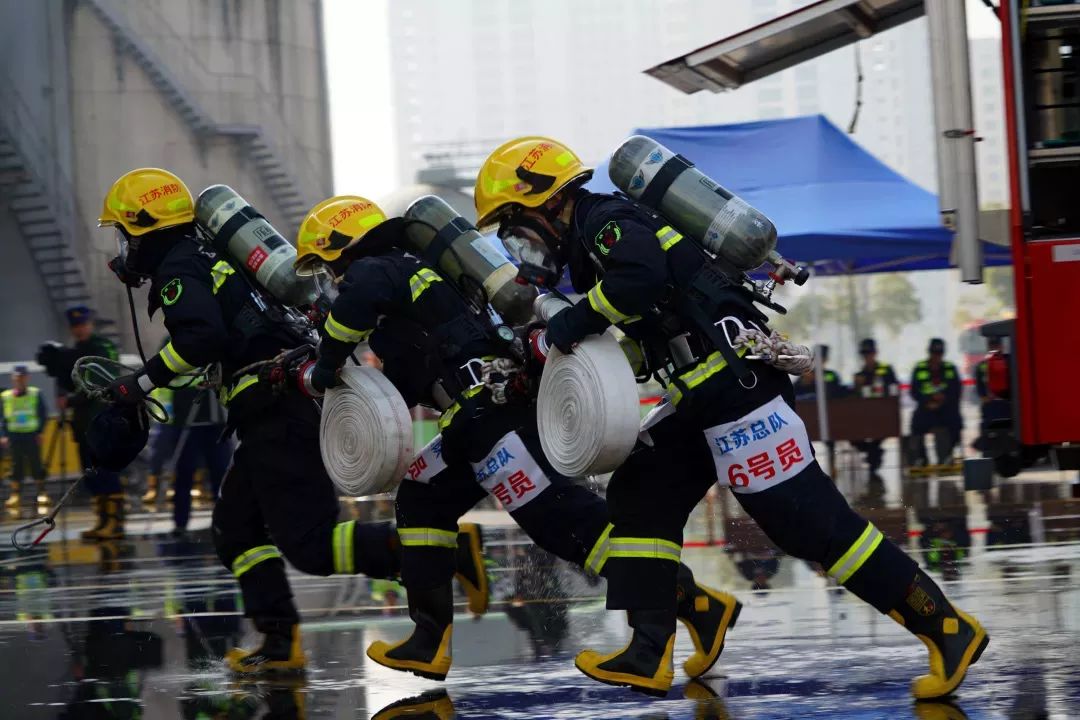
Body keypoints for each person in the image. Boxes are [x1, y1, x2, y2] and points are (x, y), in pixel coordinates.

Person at [473, 136, 988, 699]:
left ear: (545, 200)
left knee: (808, 524)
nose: (512, 241)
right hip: (701, 393)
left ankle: (944, 626)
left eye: (511, 222)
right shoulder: (595, 241)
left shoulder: (606, 220)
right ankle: (649, 651)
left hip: (736, 386)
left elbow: (640, 279)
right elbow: (661, 318)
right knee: (640, 493)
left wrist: (570, 327)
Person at [296, 195, 738, 684]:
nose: (328, 281)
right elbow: (410, 372)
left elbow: (354, 306)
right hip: (470, 420)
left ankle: (693, 604)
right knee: (422, 496)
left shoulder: (379, 269)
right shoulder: (409, 276)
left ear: (342, 249)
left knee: (566, 523)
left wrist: (327, 361)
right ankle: (427, 640)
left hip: (493, 415)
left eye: (325, 267)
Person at [95, 168, 485, 674]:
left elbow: (199, 339)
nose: (125, 248)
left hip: (277, 411)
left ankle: (445, 557)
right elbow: (230, 340)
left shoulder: (178, 269)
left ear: (144, 228)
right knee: (235, 531)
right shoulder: (213, 257)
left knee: (312, 546)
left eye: (126, 234)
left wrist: (138, 384)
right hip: (272, 406)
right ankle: (278, 640)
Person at [37, 306, 125, 539]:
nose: (80, 329)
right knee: (92, 475)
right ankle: (102, 521)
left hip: (104, 420)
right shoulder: (78, 350)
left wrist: (72, 399)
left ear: (91, 324)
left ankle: (115, 524)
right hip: (84, 425)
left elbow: (98, 383)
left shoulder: (101, 347)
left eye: (83, 325)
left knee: (106, 472)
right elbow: (72, 381)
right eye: (75, 326)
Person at [169, 382, 231, 536]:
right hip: (189, 414)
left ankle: (225, 521)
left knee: (222, 475)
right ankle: (180, 523)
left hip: (216, 419)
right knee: (184, 474)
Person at [851, 338, 899, 494]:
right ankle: (873, 454)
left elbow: (893, 388)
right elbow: (854, 397)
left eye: (870, 353)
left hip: (884, 417)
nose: (868, 357)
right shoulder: (860, 374)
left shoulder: (886, 369)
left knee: (877, 438)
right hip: (865, 419)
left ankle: (874, 455)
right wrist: (857, 385)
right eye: (865, 354)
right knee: (853, 435)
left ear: (875, 353)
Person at [1, 366, 49, 512]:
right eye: (17, 377)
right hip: (14, 436)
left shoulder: (35, 393)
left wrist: (40, 432)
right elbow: (3, 418)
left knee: (36, 464)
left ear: (27, 378)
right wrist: (3, 435)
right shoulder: (6, 396)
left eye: (22, 376)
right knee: (16, 466)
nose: (19, 379)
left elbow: (43, 414)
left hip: (32, 435)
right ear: (13, 378)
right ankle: (15, 495)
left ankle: (42, 493)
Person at [910, 338, 963, 467]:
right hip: (926, 408)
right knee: (916, 425)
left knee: (955, 423)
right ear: (929, 353)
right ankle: (920, 459)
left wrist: (943, 400)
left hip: (946, 409)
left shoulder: (950, 368)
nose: (936, 357)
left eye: (939, 354)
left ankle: (946, 456)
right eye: (934, 353)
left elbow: (956, 391)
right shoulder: (919, 368)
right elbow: (915, 391)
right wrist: (928, 400)